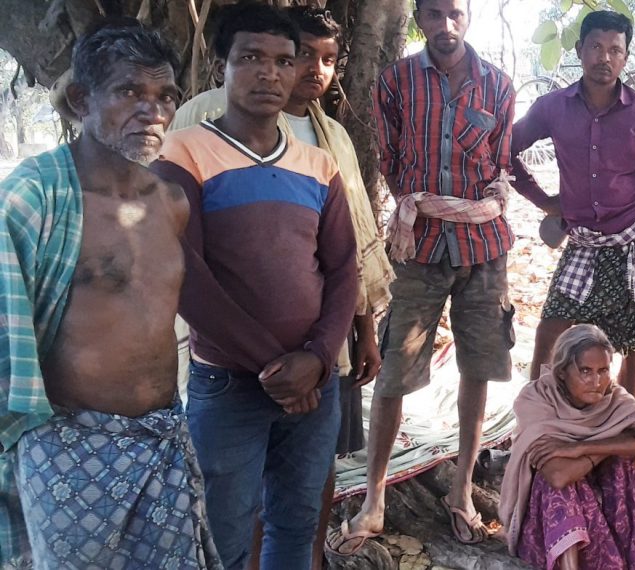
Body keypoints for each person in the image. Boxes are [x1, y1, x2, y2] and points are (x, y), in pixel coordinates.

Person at [169, 6, 394, 565]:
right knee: (223, 531)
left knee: (295, 526)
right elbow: (185, 274)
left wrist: (317, 358)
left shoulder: (318, 164)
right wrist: (279, 368)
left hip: (311, 382)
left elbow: (344, 270)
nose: (269, 74)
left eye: (282, 62)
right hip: (230, 386)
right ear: (222, 65)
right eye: (251, 58)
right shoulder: (185, 153)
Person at [0, 21, 221, 568]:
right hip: (69, 447)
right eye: (129, 91)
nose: (153, 111)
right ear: (81, 99)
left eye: (166, 95)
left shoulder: (170, 201)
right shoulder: (35, 196)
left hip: (164, 438)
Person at [331, 0, 517, 551]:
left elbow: (501, 164)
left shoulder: (499, 85)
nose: (446, 26)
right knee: (395, 371)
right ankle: (374, 497)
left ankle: (460, 490)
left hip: (485, 247)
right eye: (434, 15)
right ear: (418, 17)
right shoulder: (395, 82)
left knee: (477, 367)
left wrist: (467, 205)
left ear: (469, 16)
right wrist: (428, 203)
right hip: (418, 248)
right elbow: (389, 159)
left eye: (455, 13)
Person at [512, 10, 635, 400]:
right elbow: (507, 150)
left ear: (625, 57)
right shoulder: (552, 107)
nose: (603, 58)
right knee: (551, 328)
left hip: (634, 244)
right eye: (595, 47)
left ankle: (620, 428)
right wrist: (544, 201)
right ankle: (537, 419)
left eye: (614, 50)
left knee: (631, 344)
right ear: (579, 50)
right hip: (585, 245)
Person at [499, 324, 635, 570]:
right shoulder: (536, 399)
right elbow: (558, 475)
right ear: (562, 371)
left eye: (603, 371)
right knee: (559, 487)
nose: (596, 381)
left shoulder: (613, 397)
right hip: (546, 529)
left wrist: (584, 449)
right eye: (585, 371)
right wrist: (601, 451)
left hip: (605, 506)